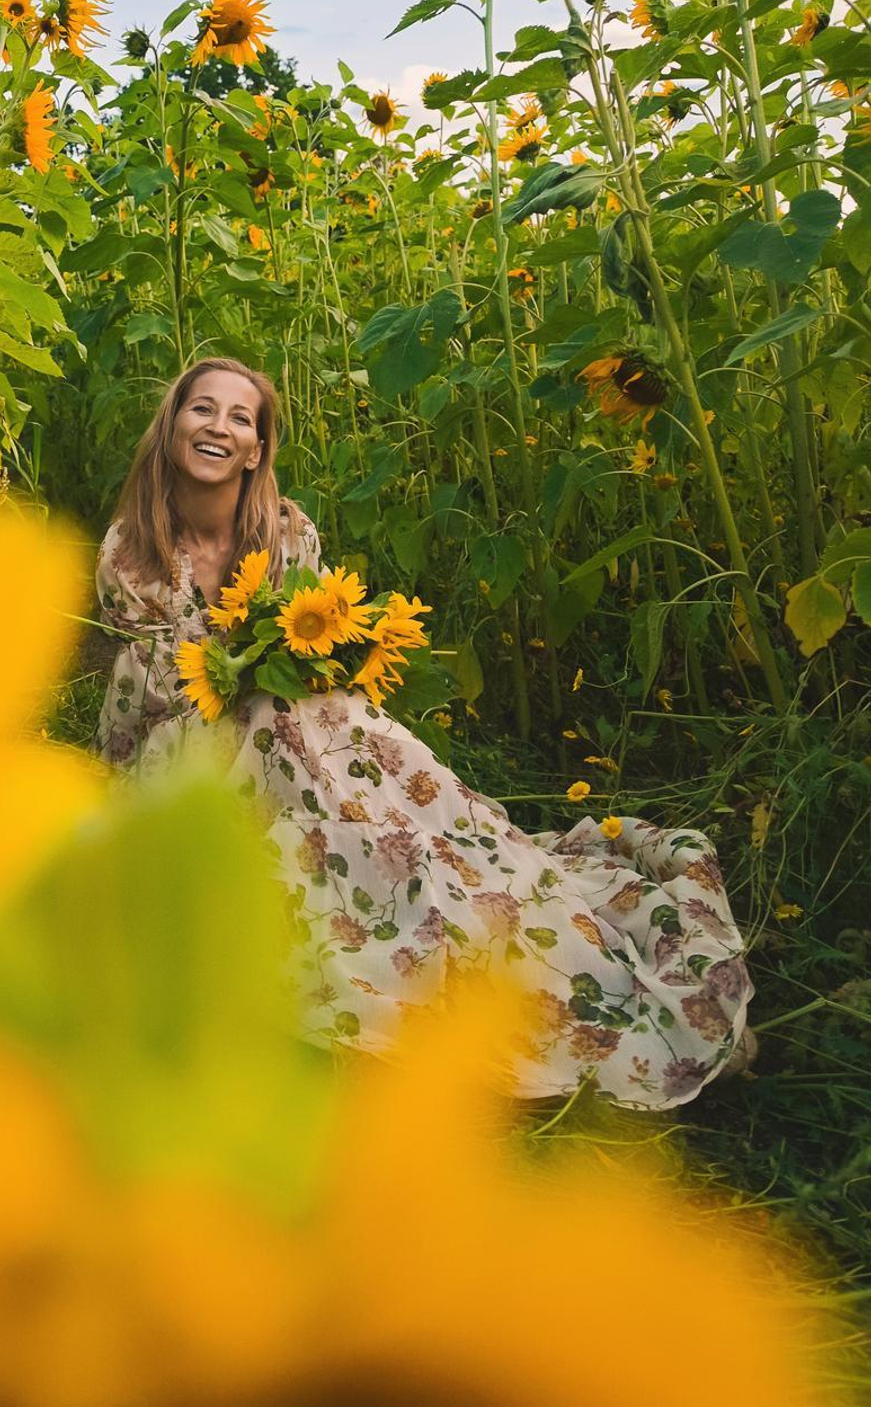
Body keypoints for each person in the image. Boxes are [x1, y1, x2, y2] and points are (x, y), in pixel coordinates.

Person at [93, 357, 754, 1108]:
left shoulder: (284, 532)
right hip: (181, 734)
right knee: (283, 738)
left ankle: (432, 877)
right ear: (173, 424)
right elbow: (168, 691)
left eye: (239, 417)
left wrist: (301, 665)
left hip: (295, 720)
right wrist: (258, 678)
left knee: (362, 769)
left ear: (256, 448)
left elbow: (312, 639)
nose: (217, 426)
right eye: (200, 409)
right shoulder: (134, 549)